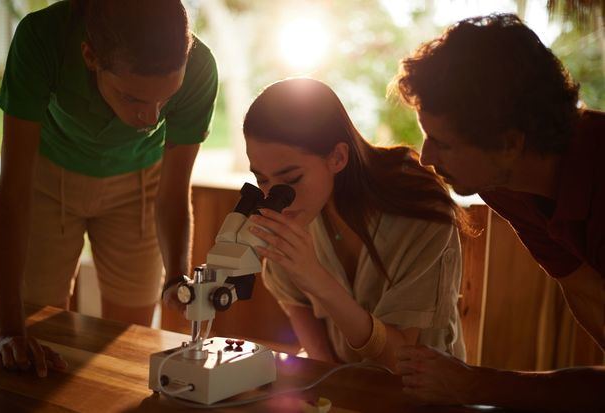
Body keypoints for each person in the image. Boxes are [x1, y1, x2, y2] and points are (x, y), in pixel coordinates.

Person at [390, 13, 604, 412]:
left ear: (510, 142)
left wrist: (476, 386)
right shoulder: (507, 187)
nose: (425, 158)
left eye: (442, 142)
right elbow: (585, 290)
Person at [0, 0, 218, 378]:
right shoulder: (41, 36)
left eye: (166, 98)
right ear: (89, 56)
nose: (151, 119)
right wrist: (9, 330)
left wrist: (177, 276)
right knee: (37, 336)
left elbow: (175, 191)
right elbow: (13, 189)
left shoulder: (200, 67)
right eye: (133, 97)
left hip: (141, 183)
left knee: (128, 344)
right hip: (48, 177)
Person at [240, 77, 466, 371]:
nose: (275, 198)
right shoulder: (294, 213)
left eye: (291, 179)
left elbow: (401, 361)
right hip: (339, 385)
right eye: (262, 179)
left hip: (422, 393)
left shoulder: (421, 210)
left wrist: (318, 281)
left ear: (337, 157)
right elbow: (319, 356)